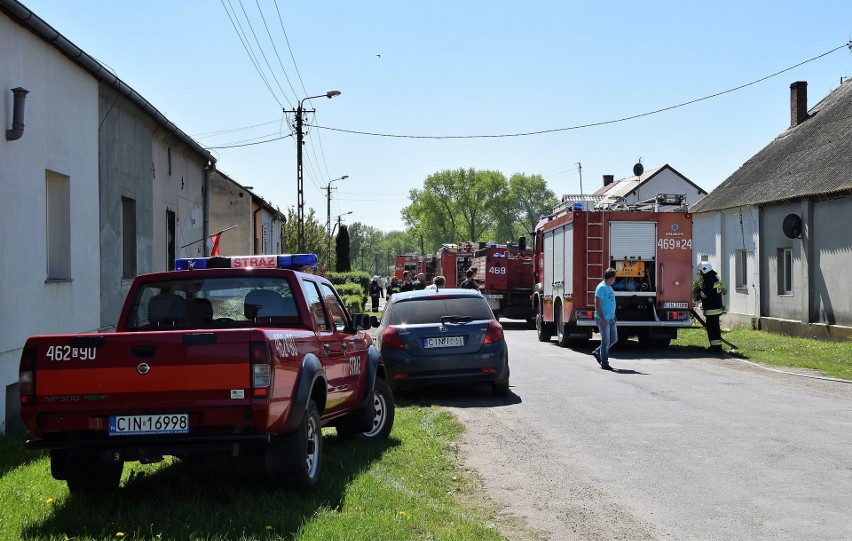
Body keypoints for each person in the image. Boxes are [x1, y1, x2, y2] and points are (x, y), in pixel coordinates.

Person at [591, 267, 617, 371]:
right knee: (606, 341)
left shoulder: (609, 287)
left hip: (611, 318)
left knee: (614, 339)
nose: (614, 280)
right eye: (614, 278)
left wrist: (613, 314)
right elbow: (597, 304)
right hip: (603, 319)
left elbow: (610, 302)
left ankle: (598, 351)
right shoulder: (601, 287)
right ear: (610, 278)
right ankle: (604, 363)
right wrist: (602, 318)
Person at [697, 261, 725, 353]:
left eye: (701, 271)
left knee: (712, 329)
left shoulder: (709, 281)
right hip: (716, 308)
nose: (700, 274)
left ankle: (715, 348)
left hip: (711, 309)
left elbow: (704, 294)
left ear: (705, 271)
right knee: (715, 328)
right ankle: (716, 346)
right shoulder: (714, 279)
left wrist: (699, 291)